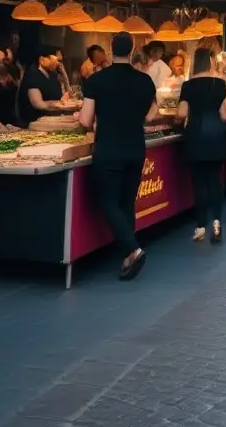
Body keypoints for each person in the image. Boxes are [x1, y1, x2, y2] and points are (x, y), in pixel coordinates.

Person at [78, 32, 158, 280]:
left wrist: (81, 120)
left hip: (108, 149)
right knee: (126, 202)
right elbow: (152, 115)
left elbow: (85, 120)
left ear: (111, 50)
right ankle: (127, 255)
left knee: (107, 202)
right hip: (135, 148)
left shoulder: (96, 80)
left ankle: (133, 249)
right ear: (133, 50)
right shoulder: (145, 81)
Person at [176, 48, 226, 243]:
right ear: (209, 61)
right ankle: (217, 223)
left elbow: (182, 113)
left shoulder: (188, 85)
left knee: (199, 183)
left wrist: (176, 116)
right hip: (216, 135)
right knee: (215, 181)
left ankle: (200, 226)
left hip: (195, 136)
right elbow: (224, 115)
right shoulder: (221, 83)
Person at [17, 46, 66, 127]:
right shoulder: (32, 75)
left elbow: (63, 96)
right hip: (35, 121)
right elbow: (38, 104)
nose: (57, 62)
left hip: (52, 118)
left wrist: (64, 73)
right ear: (42, 60)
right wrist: (59, 105)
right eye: (54, 59)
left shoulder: (53, 75)